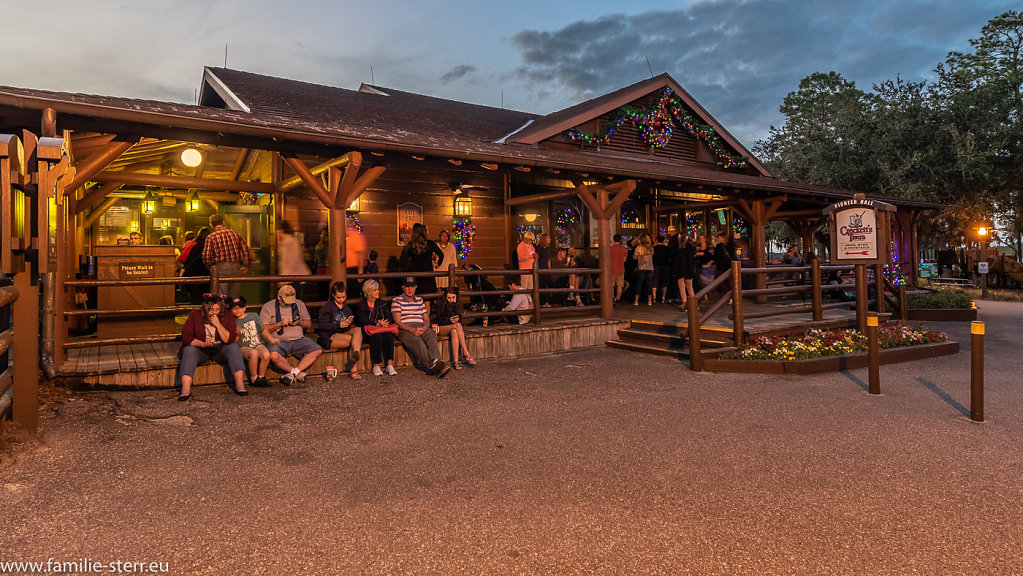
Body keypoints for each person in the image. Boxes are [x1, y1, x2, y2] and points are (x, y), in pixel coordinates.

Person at [177, 293, 247, 401]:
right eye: (210, 309)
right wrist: (202, 343)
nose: (213, 313)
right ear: (205, 308)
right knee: (189, 350)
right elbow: (186, 337)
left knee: (234, 347)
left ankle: (240, 385)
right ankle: (185, 390)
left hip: (220, 349)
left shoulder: (227, 316)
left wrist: (218, 324)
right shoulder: (195, 316)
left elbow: (229, 339)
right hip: (201, 349)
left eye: (217, 309)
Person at [259, 284, 322, 386]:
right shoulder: (268, 306)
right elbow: (263, 329)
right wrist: (279, 324)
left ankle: (292, 374)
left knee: (317, 350)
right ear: (279, 297)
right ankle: (297, 373)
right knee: (273, 355)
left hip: (298, 339)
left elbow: (308, 323)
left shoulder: (299, 304)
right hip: (279, 340)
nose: (290, 303)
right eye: (286, 300)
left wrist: (297, 323)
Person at [391, 276, 450, 377]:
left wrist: (424, 327)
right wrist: (412, 330)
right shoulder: (397, 300)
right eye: (407, 287)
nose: (410, 289)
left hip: (421, 325)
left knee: (431, 336)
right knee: (418, 341)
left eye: (412, 286)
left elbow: (426, 318)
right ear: (403, 287)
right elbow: (397, 321)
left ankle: (437, 363)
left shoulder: (419, 300)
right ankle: (433, 366)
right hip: (405, 328)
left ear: (416, 287)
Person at [317, 281, 364, 380]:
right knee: (353, 340)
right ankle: (354, 369)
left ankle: (356, 352)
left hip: (343, 333)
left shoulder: (346, 309)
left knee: (358, 330)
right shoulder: (327, 308)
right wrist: (339, 324)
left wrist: (348, 323)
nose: (341, 300)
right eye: (338, 297)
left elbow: (349, 326)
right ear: (333, 295)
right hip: (330, 336)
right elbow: (322, 325)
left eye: (343, 297)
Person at [202, 214, 252, 299]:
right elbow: (246, 250)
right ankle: (233, 311)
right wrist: (246, 265)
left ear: (211, 225)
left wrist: (211, 268)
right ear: (223, 222)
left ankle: (223, 311)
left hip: (220, 267)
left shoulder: (211, 237)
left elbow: (206, 257)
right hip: (236, 267)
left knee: (222, 295)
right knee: (234, 295)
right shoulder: (235, 234)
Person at [354, 279, 397, 376]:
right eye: (375, 290)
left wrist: (384, 323)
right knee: (376, 336)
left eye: (378, 289)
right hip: (367, 332)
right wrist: (376, 323)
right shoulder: (361, 305)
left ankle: (389, 364)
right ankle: (376, 365)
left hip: (381, 328)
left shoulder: (381, 303)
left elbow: (389, 317)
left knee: (388, 335)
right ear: (368, 292)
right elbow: (362, 320)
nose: (378, 291)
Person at [229, 296, 271, 388]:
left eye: (240, 308)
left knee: (266, 354)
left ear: (245, 308)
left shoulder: (253, 316)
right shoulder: (232, 322)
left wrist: (270, 338)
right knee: (254, 353)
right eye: (234, 308)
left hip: (257, 343)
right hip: (242, 346)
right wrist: (237, 334)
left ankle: (261, 376)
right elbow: (233, 342)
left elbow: (262, 330)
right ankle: (254, 378)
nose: (237, 310)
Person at [435, 286, 476, 370]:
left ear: (456, 297)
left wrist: (457, 319)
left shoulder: (458, 305)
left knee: (454, 331)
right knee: (458, 326)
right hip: (440, 328)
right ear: (445, 297)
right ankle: (466, 353)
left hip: (452, 327)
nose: (451, 300)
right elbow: (439, 320)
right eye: (449, 298)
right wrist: (449, 321)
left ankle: (456, 361)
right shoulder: (441, 303)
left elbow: (459, 319)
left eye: (453, 297)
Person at [400, 222, 444, 298]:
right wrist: (437, 264)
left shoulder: (410, 245)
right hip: (428, 275)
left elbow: (406, 260)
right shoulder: (430, 243)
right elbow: (441, 254)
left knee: (414, 300)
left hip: (415, 275)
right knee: (427, 301)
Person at [182, 227, 212, 304]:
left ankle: (196, 314)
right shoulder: (208, 247)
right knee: (204, 299)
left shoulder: (193, 245)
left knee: (196, 300)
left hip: (191, 275)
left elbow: (182, 258)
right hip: (203, 276)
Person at [632, 234, 655, 306]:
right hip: (650, 268)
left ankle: (636, 301)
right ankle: (649, 301)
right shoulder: (651, 248)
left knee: (639, 284)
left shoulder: (638, 248)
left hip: (641, 268)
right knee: (649, 284)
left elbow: (634, 257)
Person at [677, 234, 698, 311]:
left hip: (680, 269)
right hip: (689, 268)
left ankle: (685, 304)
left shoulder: (678, 247)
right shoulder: (691, 247)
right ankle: (694, 305)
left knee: (682, 287)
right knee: (690, 287)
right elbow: (692, 258)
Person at [345, 222, 367, 297]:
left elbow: (360, 254)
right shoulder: (348, 238)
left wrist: (360, 273)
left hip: (353, 270)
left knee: (353, 294)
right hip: (348, 270)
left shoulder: (356, 236)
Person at [653, 234, 671, 303]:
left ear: (656, 240)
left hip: (656, 266)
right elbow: (670, 257)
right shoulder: (667, 248)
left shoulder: (654, 248)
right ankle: (663, 297)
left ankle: (654, 297)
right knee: (664, 282)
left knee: (655, 282)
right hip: (665, 266)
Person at [535, 233, 552, 306]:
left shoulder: (547, 249)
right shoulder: (539, 248)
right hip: (540, 269)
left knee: (546, 285)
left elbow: (548, 260)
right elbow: (536, 259)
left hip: (546, 270)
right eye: (548, 238)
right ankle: (541, 302)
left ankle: (546, 301)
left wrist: (549, 269)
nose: (550, 239)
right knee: (541, 286)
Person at [610, 234, 628, 303]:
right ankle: (617, 299)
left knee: (611, 286)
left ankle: (611, 299)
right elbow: (624, 260)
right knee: (619, 286)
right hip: (620, 269)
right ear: (620, 240)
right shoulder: (624, 249)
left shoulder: (610, 248)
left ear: (614, 239)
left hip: (612, 269)